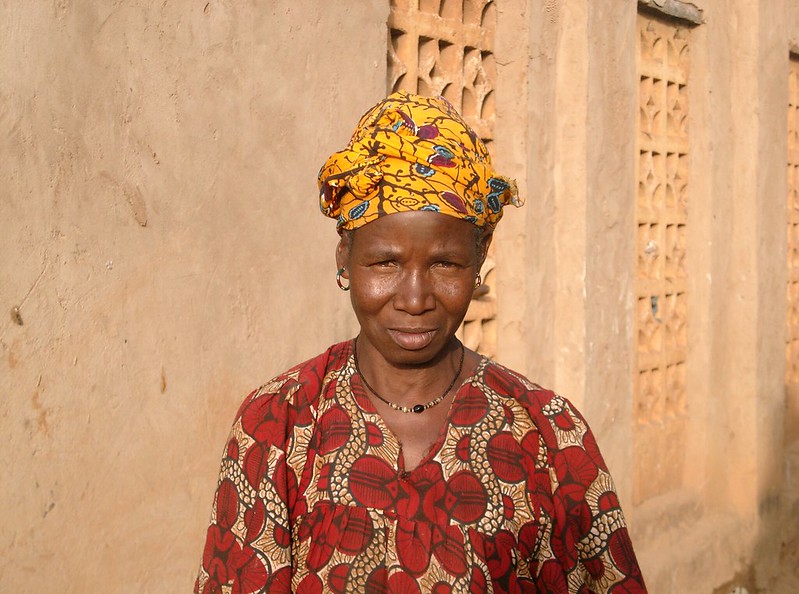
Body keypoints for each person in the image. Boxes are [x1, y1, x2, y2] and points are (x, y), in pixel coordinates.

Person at [194, 92, 647, 593]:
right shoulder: (277, 426)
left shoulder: (549, 436)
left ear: (479, 261)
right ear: (344, 257)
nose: (414, 298)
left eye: (445, 264)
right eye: (385, 263)